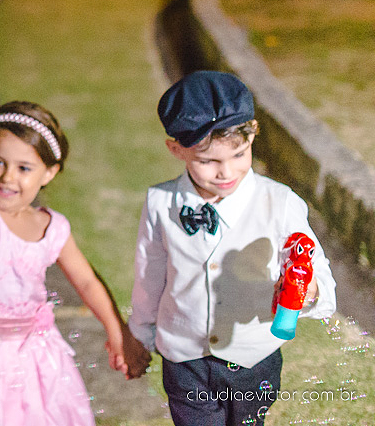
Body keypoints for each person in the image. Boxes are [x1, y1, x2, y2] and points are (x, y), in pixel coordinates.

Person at [0, 101, 150, 426]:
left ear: (49, 172)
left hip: (32, 357)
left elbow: (87, 281)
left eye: (24, 168)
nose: (7, 177)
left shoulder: (53, 228)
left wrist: (117, 331)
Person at [129, 70, 338, 426]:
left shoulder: (280, 202)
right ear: (176, 149)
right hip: (184, 361)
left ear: (253, 135)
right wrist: (139, 334)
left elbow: (320, 278)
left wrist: (308, 289)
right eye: (208, 161)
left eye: (239, 154)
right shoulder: (160, 203)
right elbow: (150, 274)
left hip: (254, 362)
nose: (226, 172)